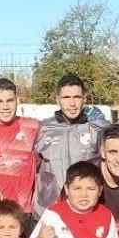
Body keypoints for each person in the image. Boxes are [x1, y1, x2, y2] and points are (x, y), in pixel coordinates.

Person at [32, 73, 110, 220]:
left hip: (86, 210)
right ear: (58, 99)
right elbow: (32, 166)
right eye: (66, 97)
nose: (72, 103)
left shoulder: (99, 128)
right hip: (48, 211)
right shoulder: (43, 128)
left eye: (77, 97)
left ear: (84, 99)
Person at [0, 78, 40, 229]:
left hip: (23, 212)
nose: (5, 106)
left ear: (17, 100)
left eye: (10, 100)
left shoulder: (32, 126)